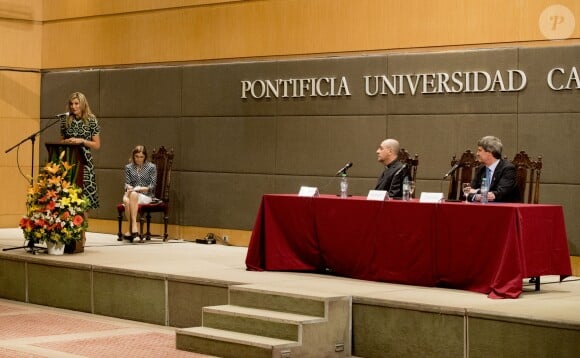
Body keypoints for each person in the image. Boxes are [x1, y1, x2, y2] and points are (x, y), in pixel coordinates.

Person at [60, 92, 101, 210]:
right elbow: (61, 141)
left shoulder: (91, 120)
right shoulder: (65, 120)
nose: (73, 106)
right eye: (71, 104)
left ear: (82, 104)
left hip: (85, 162)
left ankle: (83, 226)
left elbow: (97, 145)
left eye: (76, 103)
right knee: (67, 197)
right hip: (68, 161)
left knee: (84, 199)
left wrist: (81, 141)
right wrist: (67, 142)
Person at [468, 135, 520, 202]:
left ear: (490, 152)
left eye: (480, 150)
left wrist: (476, 192)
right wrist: (478, 196)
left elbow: (499, 194)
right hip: (483, 207)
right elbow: (468, 193)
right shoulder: (481, 168)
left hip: (504, 208)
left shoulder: (508, 169)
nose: (477, 154)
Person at [122, 145, 157, 240]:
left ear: (145, 156)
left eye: (141, 157)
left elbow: (152, 186)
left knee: (131, 197)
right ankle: (133, 228)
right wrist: (129, 187)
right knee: (129, 199)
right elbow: (127, 184)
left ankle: (132, 226)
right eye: (136, 156)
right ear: (133, 156)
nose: (139, 159)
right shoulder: (128, 167)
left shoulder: (151, 167)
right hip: (132, 193)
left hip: (146, 195)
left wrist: (140, 189)